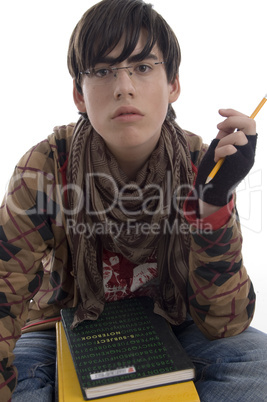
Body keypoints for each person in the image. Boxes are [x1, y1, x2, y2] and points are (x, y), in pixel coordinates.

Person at [0, 0, 266, 401]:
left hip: (176, 320)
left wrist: (213, 202)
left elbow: (224, 324)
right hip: (62, 325)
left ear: (173, 84)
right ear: (79, 93)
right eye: (103, 71)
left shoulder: (200, 162)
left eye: (142, 67)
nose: (124, 86)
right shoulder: (46, 165)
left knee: (256, 366)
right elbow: (5, 290)